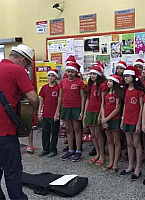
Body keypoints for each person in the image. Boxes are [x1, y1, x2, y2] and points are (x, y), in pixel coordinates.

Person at [0, 44, 39, 199]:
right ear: (23, 60)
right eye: (27, 65)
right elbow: (33, 98)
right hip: (5, 132)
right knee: (13, 172)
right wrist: (34, 110)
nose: (27, 68)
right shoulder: (17, 70)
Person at [54, 62, 85, 162]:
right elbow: (60, 96)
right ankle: (71, 149)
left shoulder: (80, 82)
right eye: (68, 71)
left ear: (76, 72)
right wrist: (58, 110)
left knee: (77, 129)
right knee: (68, 129)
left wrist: (82, 111)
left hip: (76, 107)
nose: (70, 74)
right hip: (66, 107)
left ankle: (78, 150)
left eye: (72, 72)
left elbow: (82, 97)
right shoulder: (62, 82)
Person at [120, 66, 144, 181]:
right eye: (124, 76)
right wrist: (122, 119)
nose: (125, 78)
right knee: (129, 143)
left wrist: (139, 123)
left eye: (127, 76)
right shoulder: (126, 90)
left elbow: (141, 107)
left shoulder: (139, 91)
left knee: (136, 143)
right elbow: (125, 105)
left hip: (135, 120)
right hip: (127, 120)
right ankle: (130, 166)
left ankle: (138, 168)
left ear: (133, 77)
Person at [83, 65, 107, 166]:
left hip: (97, 112)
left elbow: (103, 101)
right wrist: (85, 113)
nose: (92, 76)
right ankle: (97, 153)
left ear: (98, 75)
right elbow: (88, 99)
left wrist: (100, 115)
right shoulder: (90, 85)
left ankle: (102, 155)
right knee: (92, 135)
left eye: (94, 74)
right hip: (90, 111)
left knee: (98, 134)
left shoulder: (102, 85)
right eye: (91, 74)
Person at [101, 75, 123, 174]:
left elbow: (117, 109)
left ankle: (115, 164)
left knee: (116, 142)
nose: (108, 82)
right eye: (108, 81)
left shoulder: (117, 94)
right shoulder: (106, 93)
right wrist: (102, 118)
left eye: (110, 81)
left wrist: (106, 119)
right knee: (109, 142)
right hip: (105, 119)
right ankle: (110, 162)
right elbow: (102, 105)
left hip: (114, 119)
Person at [38, 69, 60, 158]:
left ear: (56, 77)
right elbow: (41, 101)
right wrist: (39, 112)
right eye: (49, 75)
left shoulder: (58, 88)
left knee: (54, 132)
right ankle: (45, 148)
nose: (50, 77)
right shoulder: (44, 87)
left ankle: (53, 149)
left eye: (53, 76)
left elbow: (60, 101)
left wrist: (57, 113)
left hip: (54, 114)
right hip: (45, 114)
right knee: (45, 132)